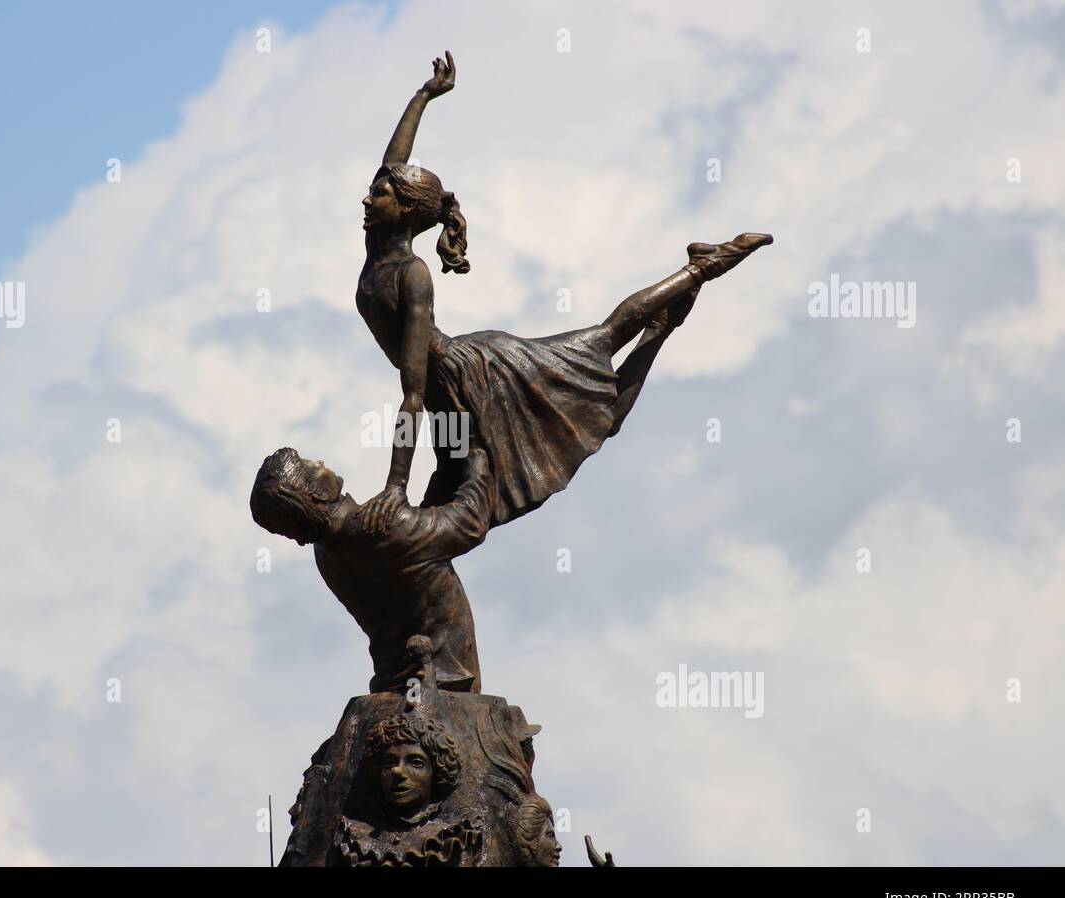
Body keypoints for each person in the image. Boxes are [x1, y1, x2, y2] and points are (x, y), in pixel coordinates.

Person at [354, 51, 772, 534]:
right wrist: (423, 96)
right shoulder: (377, 248)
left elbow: (412, 391)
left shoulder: (412, 273)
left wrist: (395, 486)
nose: (368, 198)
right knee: (601, 422)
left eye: (380, 194)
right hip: (445, 401)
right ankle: (660, 329)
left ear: (406, 209)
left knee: (604, 339)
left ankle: (704, 266)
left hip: (474, 379)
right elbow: (393, 162)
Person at [249, 446, 493, 692]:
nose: (321, 462)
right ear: (317, 494)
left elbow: (417, 551)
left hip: (392, 683)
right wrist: (478, 464)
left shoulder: (326, 554)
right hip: (445, 681)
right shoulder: (382, 526)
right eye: (311, 465)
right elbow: (471, 522)